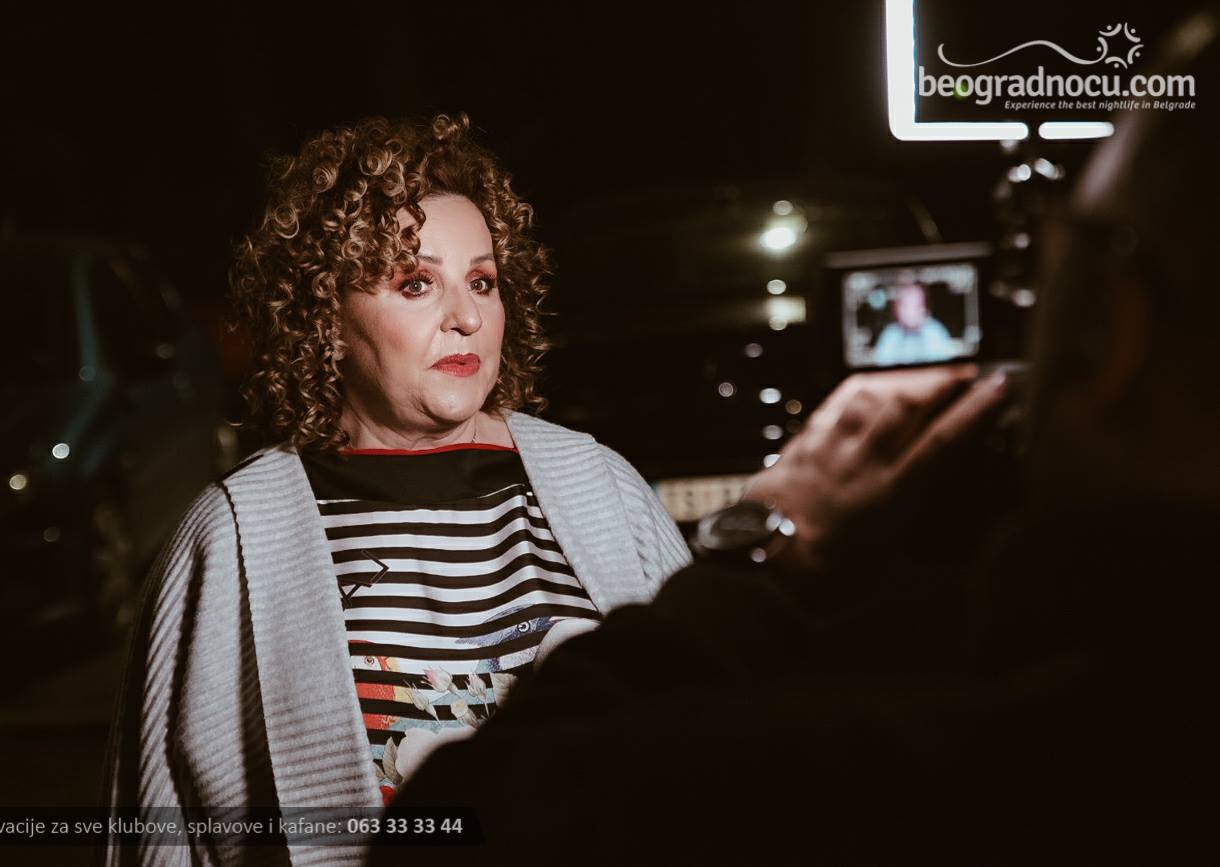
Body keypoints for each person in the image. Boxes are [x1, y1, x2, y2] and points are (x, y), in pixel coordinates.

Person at [372, 14, 1220, 866]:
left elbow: (470, 821)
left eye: (1071, 257)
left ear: (1115, 327)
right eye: (415, 282)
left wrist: (764, 548)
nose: (464, 316)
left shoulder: (873, 771)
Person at [101, 114, 695, 865]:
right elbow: (159, 829)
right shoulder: (238, 531)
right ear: (325, 317)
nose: (467, 317)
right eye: (416, 283)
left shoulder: (600, 485)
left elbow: (717, 747)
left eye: (482, 281)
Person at [871, 275, 957, 366]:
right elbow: (881, 365)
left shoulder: (935, 331)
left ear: (924, 308)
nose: (910, 312)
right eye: (905, 306)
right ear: (897, 309)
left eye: (915, 305)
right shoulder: (890, 334)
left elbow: (945, 367)